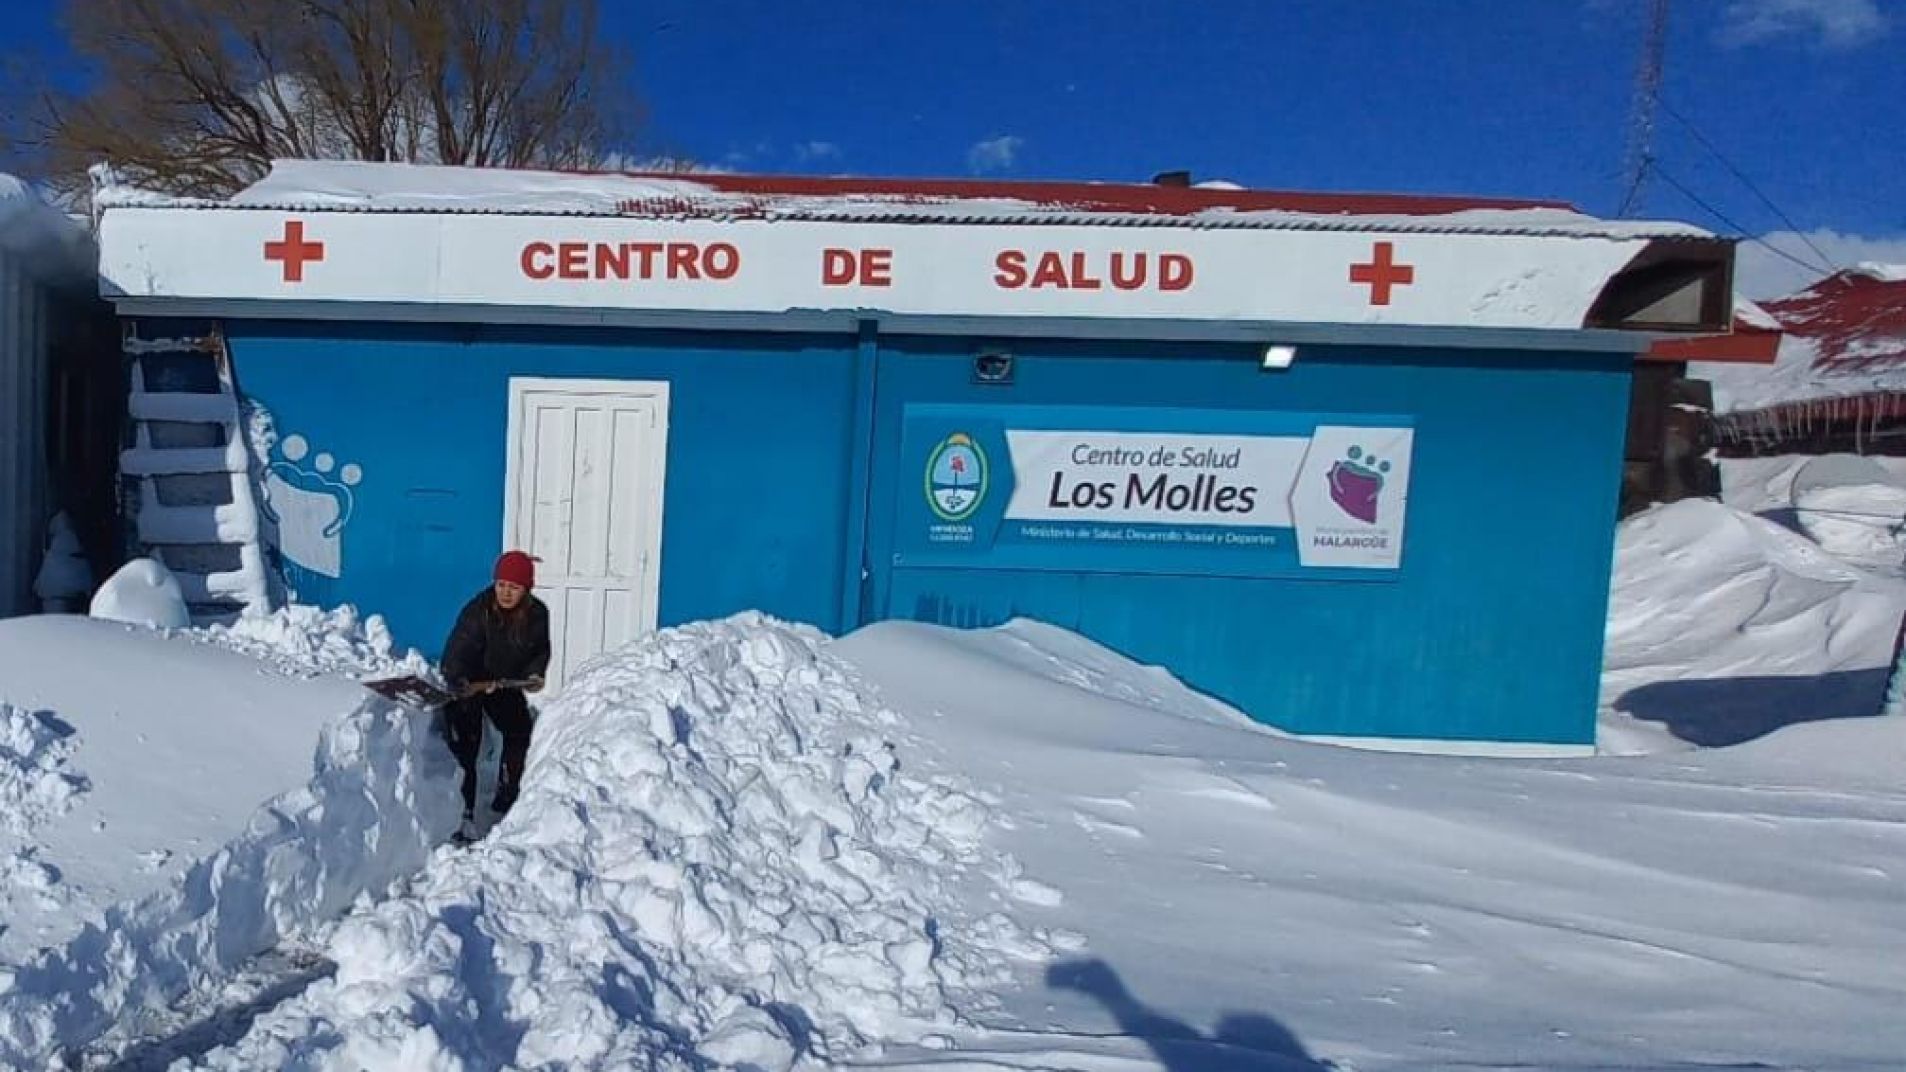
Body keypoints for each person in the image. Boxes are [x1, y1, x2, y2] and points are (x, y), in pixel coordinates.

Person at [440, 550, 550, 833]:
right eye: (501, 585)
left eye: (514, 587)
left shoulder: (537, 614)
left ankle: (509, 789)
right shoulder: (479, 610)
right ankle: (462, 813)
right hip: (470, 684)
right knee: (467, 746)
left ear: (526, 589)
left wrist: (534, 674)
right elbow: (457, 650)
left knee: (520, 732)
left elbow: (539, 651)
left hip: (503, 683)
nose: (506, 592)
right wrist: (459, 680)